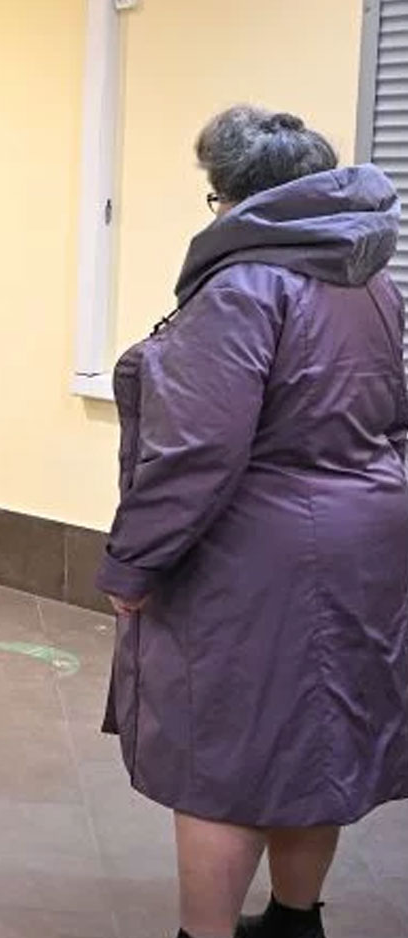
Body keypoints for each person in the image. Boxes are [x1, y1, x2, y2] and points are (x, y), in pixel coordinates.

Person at [98, 106, 408, 938]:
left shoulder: (242, 288)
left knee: (221, 760)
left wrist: (132, 566)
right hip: (366, 540)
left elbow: (194, 453)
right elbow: (391, 417)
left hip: (256, 556)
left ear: (237, 199)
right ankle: (294, 923)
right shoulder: (370, 281)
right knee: (316, 738)